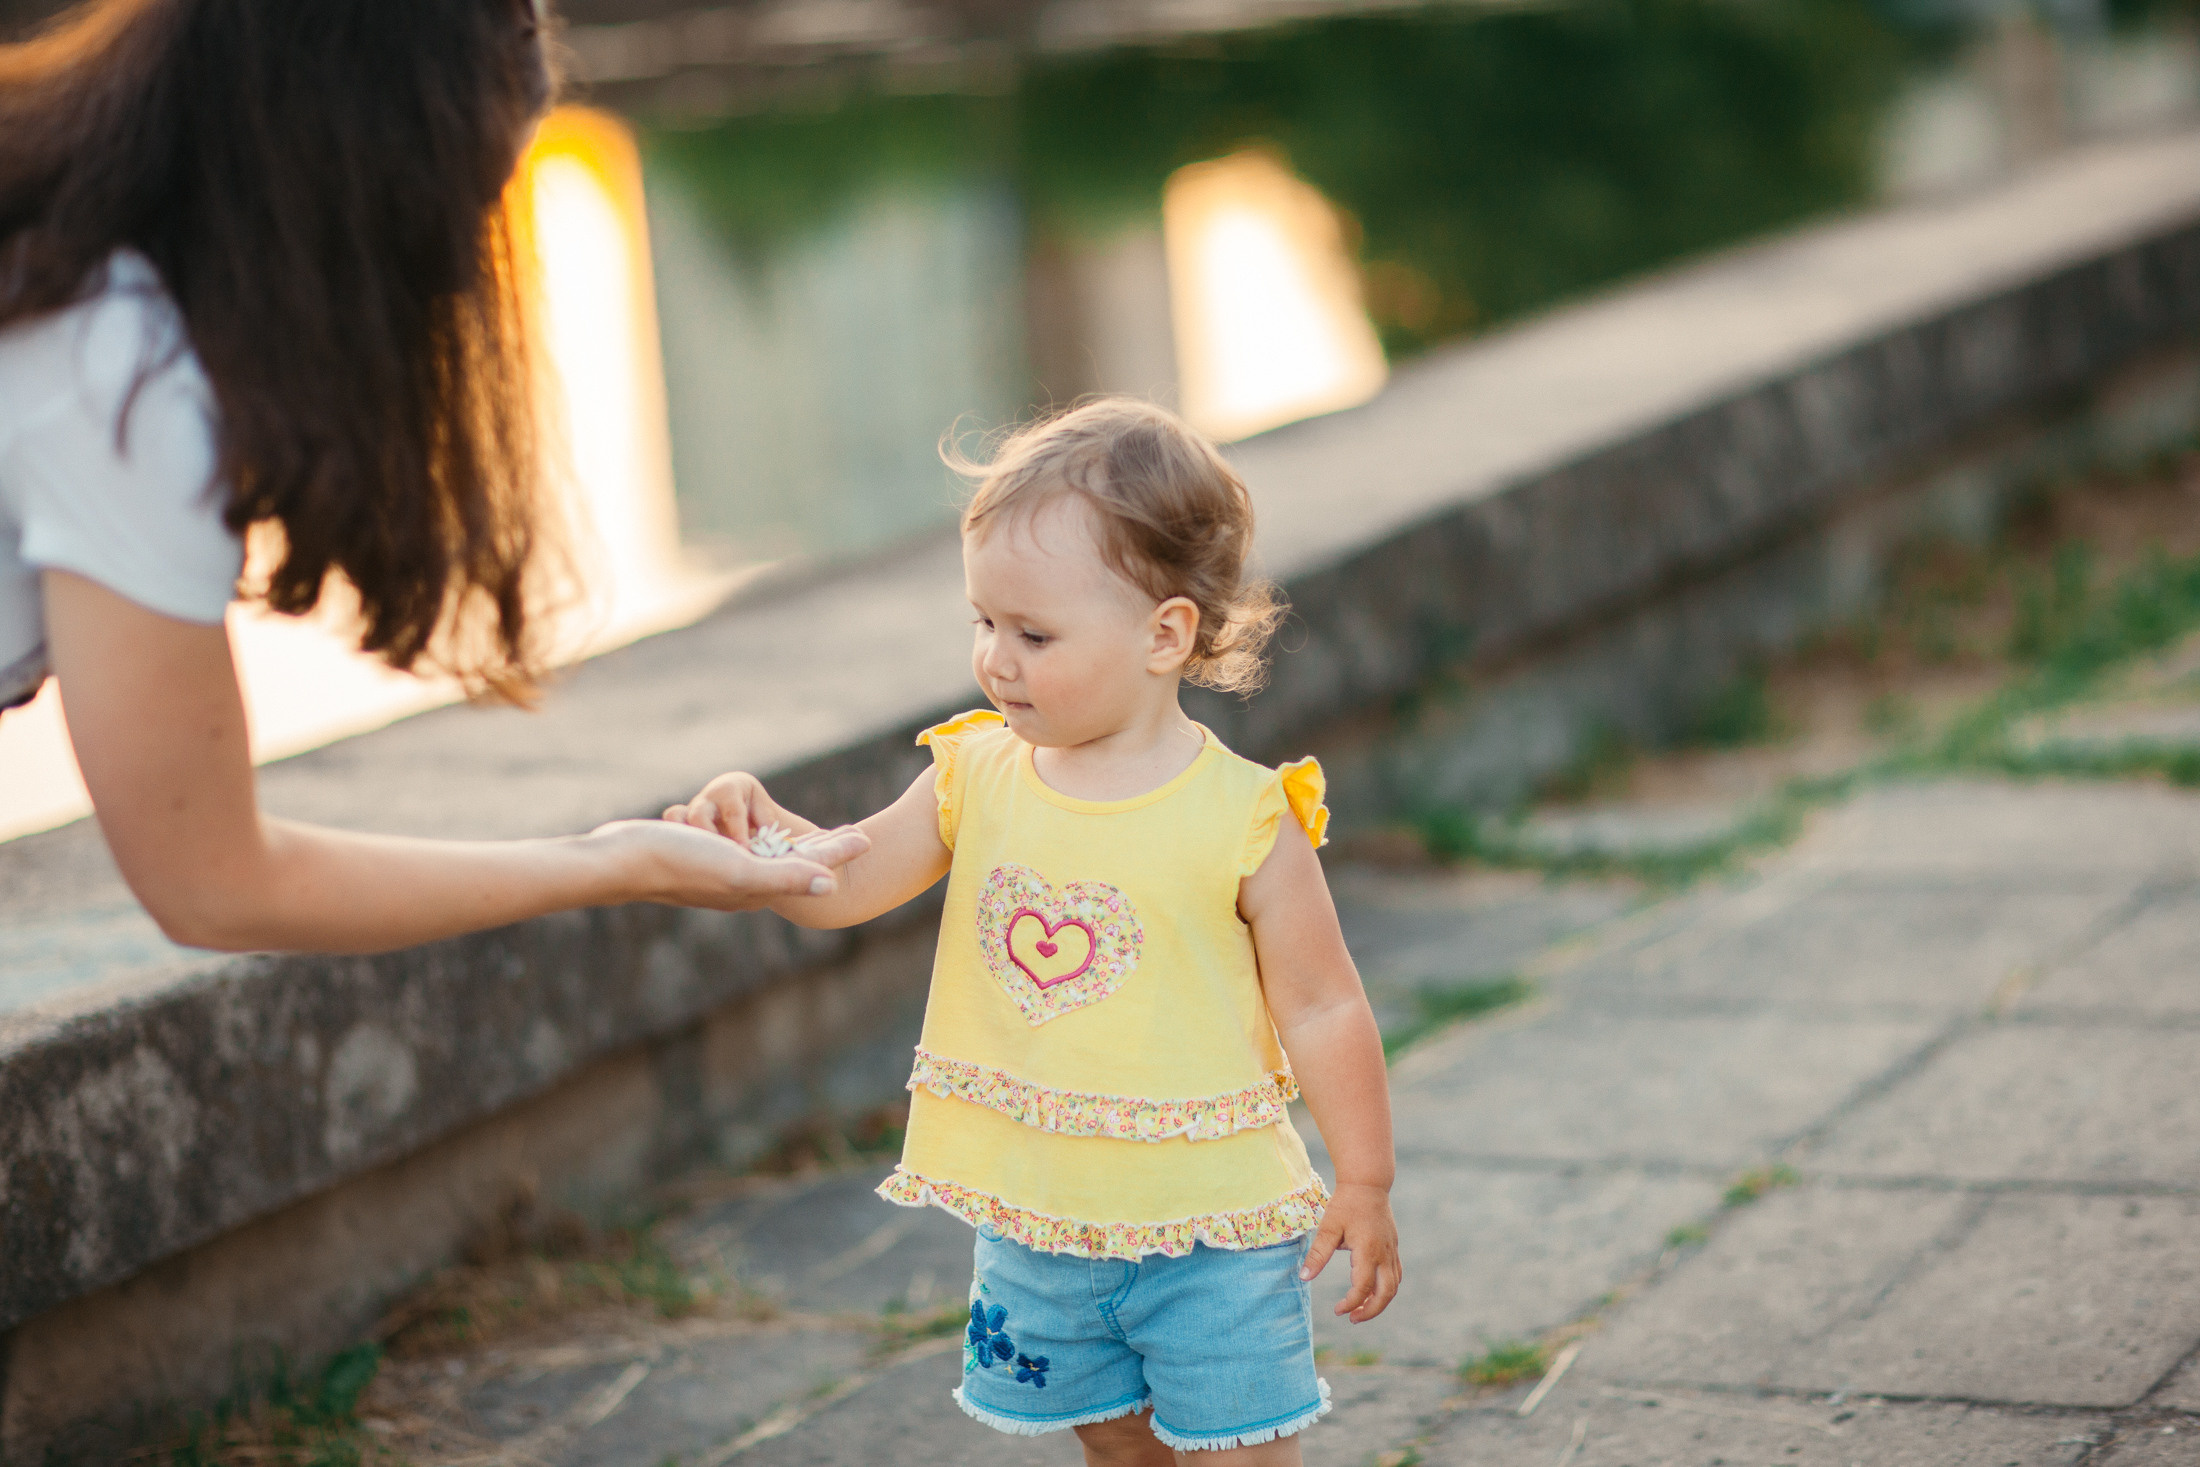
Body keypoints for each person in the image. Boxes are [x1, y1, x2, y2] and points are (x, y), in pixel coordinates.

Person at [0, 0, 864, 953]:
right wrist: (620, 862)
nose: (453, 279)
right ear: (359, 181)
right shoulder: (124, 375)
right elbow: (214, 884)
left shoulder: (64, 269)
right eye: (451, 216)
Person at [665, 398, 1401, 1464]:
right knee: (1110, 1447)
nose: (995, 660)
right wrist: (762, 839)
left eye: (1033, 634)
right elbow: (842, 880)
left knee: (1239, 1454)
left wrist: (1365, 1180)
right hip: (1040, 1225)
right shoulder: (973, 774)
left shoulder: (1244, 816)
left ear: (1164, 634)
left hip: (1214, 1231)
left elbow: (1322, 1001)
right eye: (982, 623)